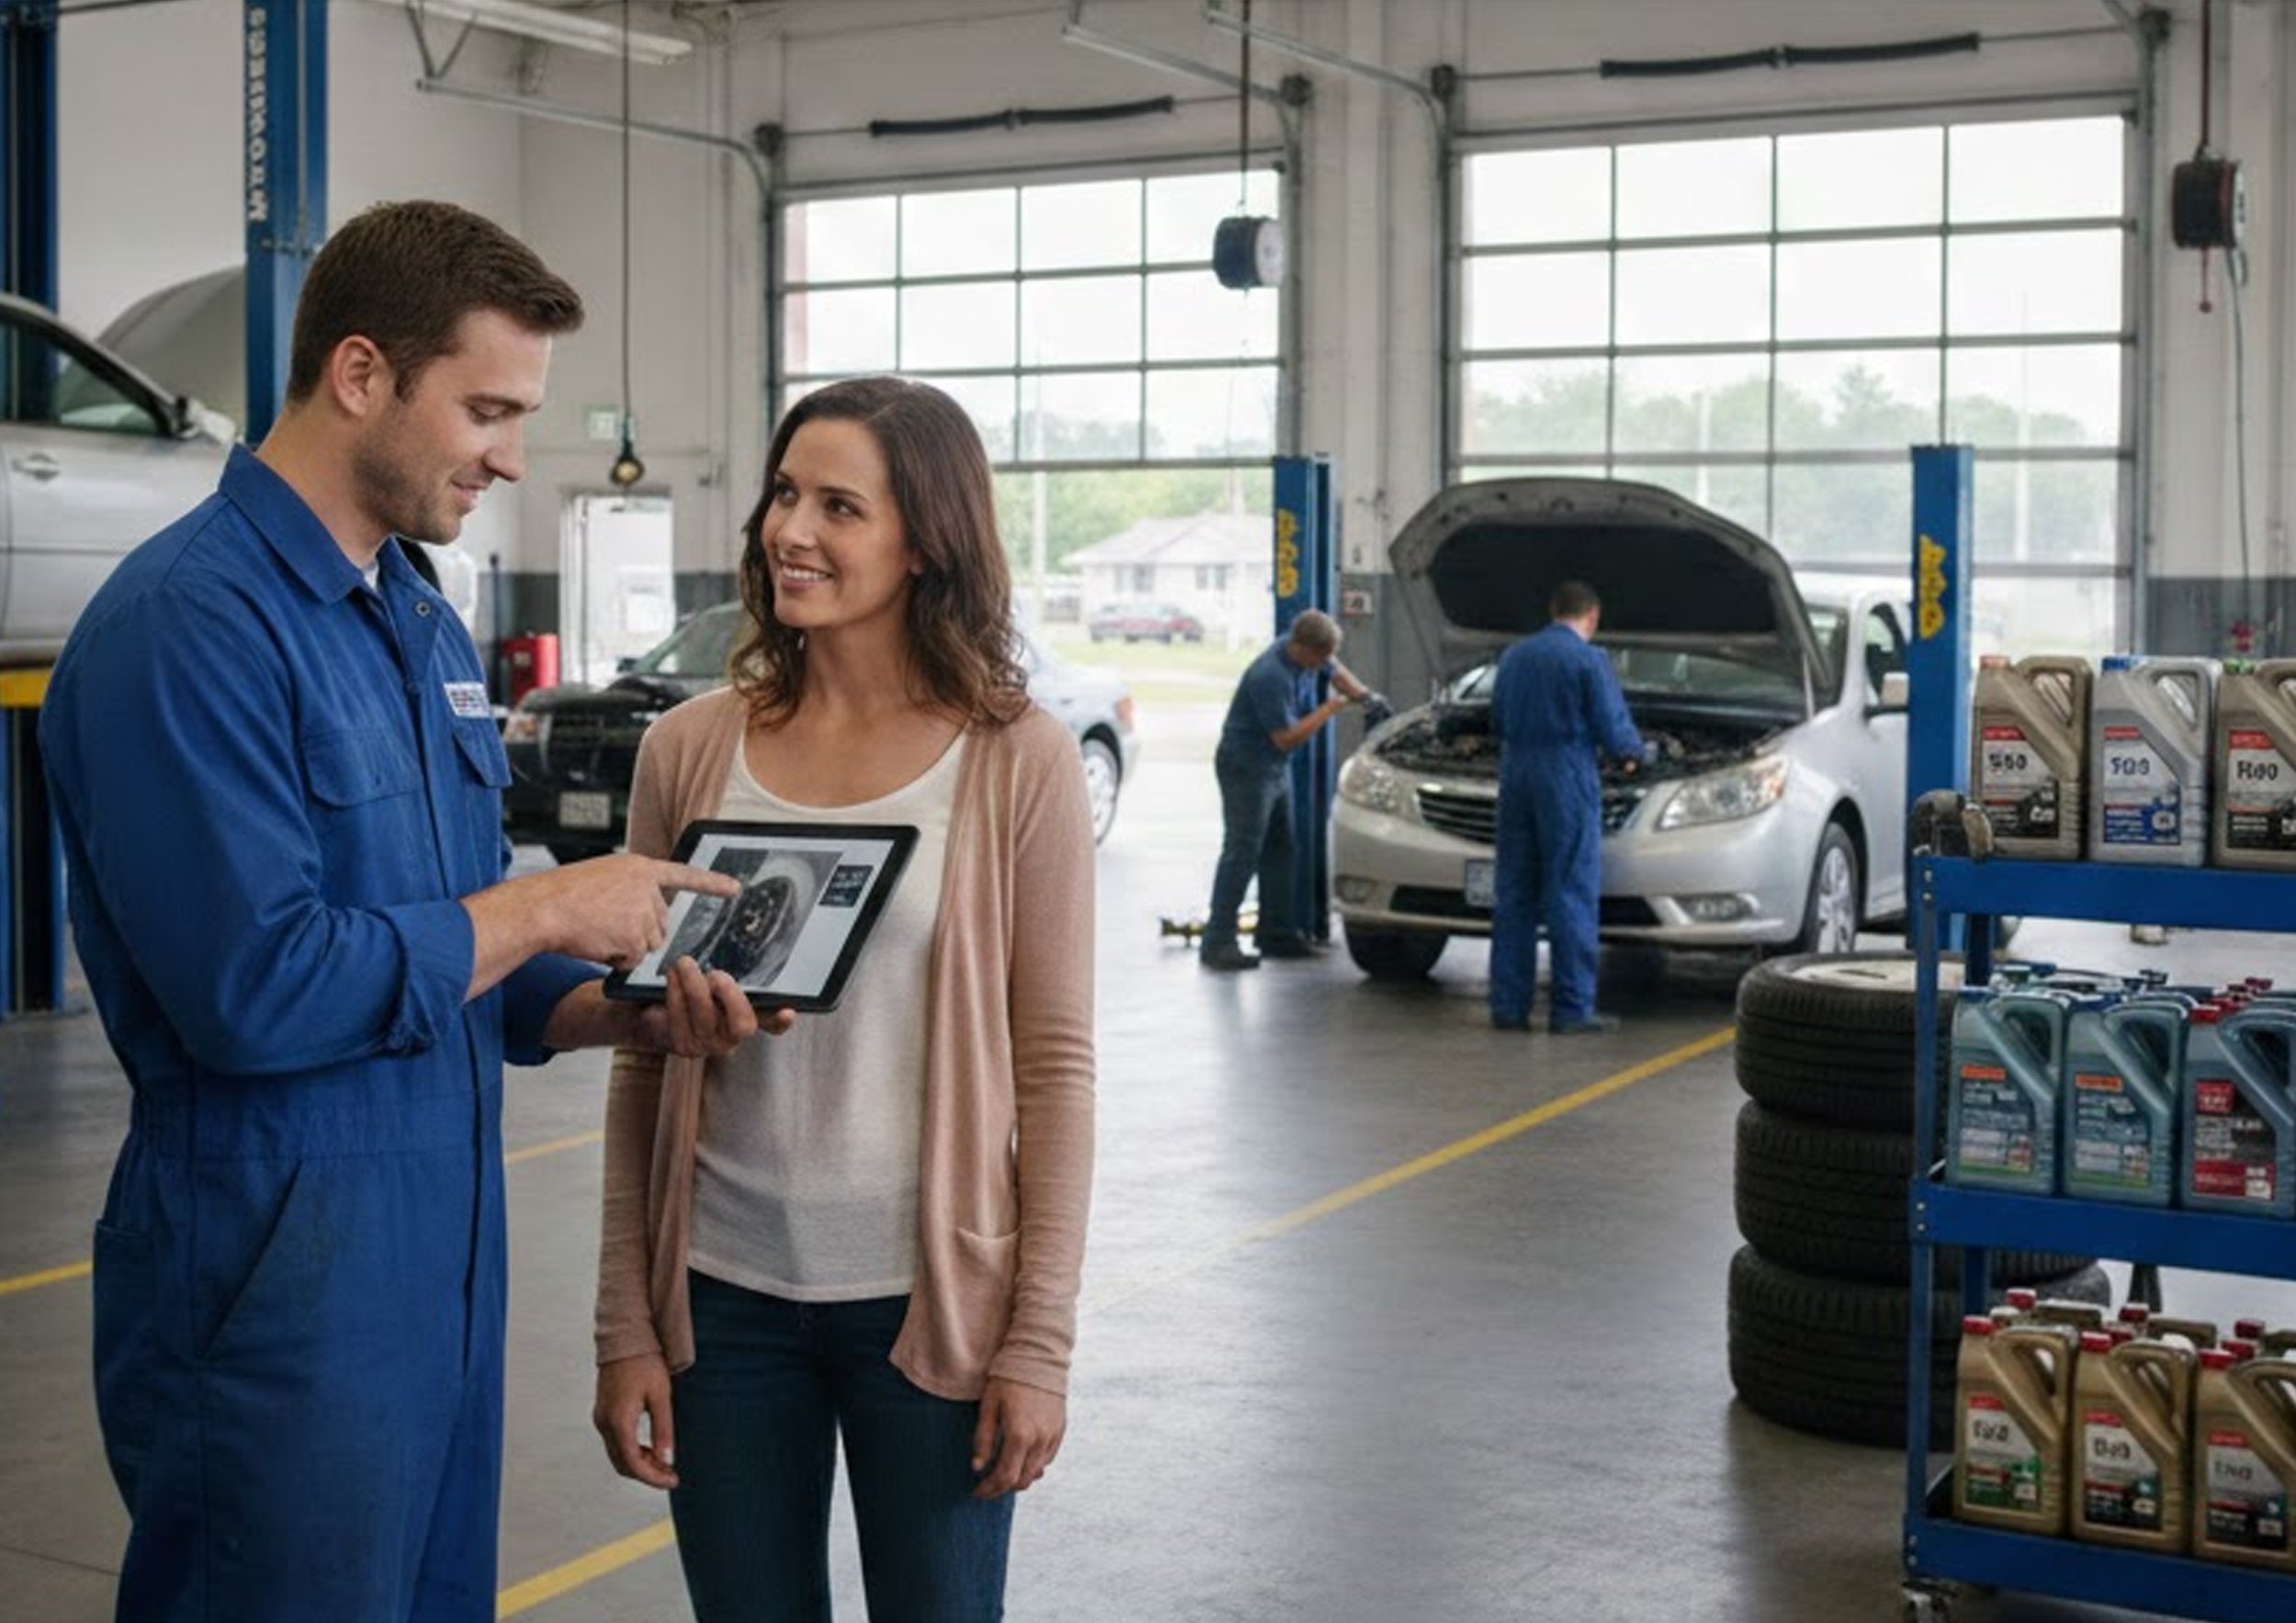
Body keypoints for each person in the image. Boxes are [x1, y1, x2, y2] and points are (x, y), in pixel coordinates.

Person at [39, 199, 773, 1623]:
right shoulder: (186, 629)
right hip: (275, 1278)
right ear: (361, 373)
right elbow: (259, 988)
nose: (511, 454)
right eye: (488, 409)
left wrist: (627, 1008)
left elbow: (461, 953)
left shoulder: (417, 619)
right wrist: (556, 896)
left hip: (438, 1256)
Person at [591, 377, 1096, 1622]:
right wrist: (624, 1322)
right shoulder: (691, 748)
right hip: (720, 1297)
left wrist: (1037, 1340)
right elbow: (641, 1058)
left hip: (928, 1302)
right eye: (782, 491)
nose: (789, 529)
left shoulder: (1013, 757)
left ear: (926, 540)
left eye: (838, 505)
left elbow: (1056, 1067)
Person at [1488, 580, 1649, 1034]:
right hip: (1565, 773)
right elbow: (1613, 728)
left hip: (1515, 772)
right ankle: (1572, 1010)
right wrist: (1637, 754)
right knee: (1570, 889)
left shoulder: (1515, 655)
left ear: (1552, 610)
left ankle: (1508, 1007)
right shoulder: (1589, 659)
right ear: (1592, 616)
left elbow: (1496, 717)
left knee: (1515, 893)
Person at [1200, 608, 1371, 971]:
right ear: (1302, 648)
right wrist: (1329, 709)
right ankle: (1217, 942)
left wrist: (1366, 697)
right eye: (1319, 657)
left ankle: (1275, 933)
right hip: (1246, 766)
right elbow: (1286, 738)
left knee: (1282, 847)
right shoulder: (1270, 676)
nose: (1324, 664)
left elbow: (1336, 671)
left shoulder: (1307, 655)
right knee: (1242, 851)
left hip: (1273, 769)